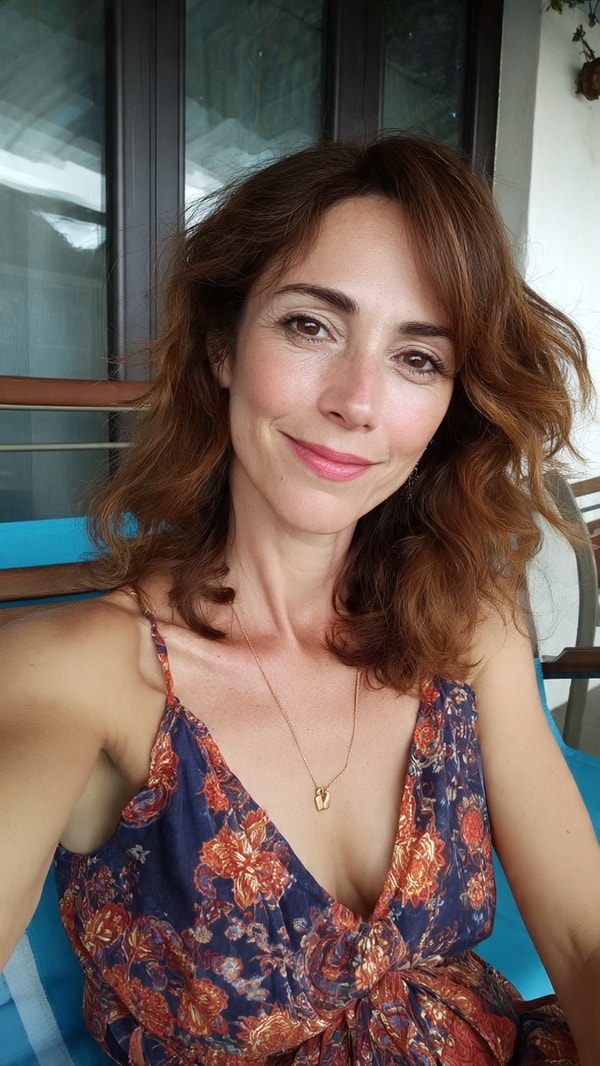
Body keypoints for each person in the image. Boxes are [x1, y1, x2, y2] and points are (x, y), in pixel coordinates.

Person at [1, 133, 599, 1065]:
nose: (357, 401)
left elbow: (583, 940)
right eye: (311, 326)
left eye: (418, 358)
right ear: (222, 347)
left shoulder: (468, 623)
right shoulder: (80, 673)